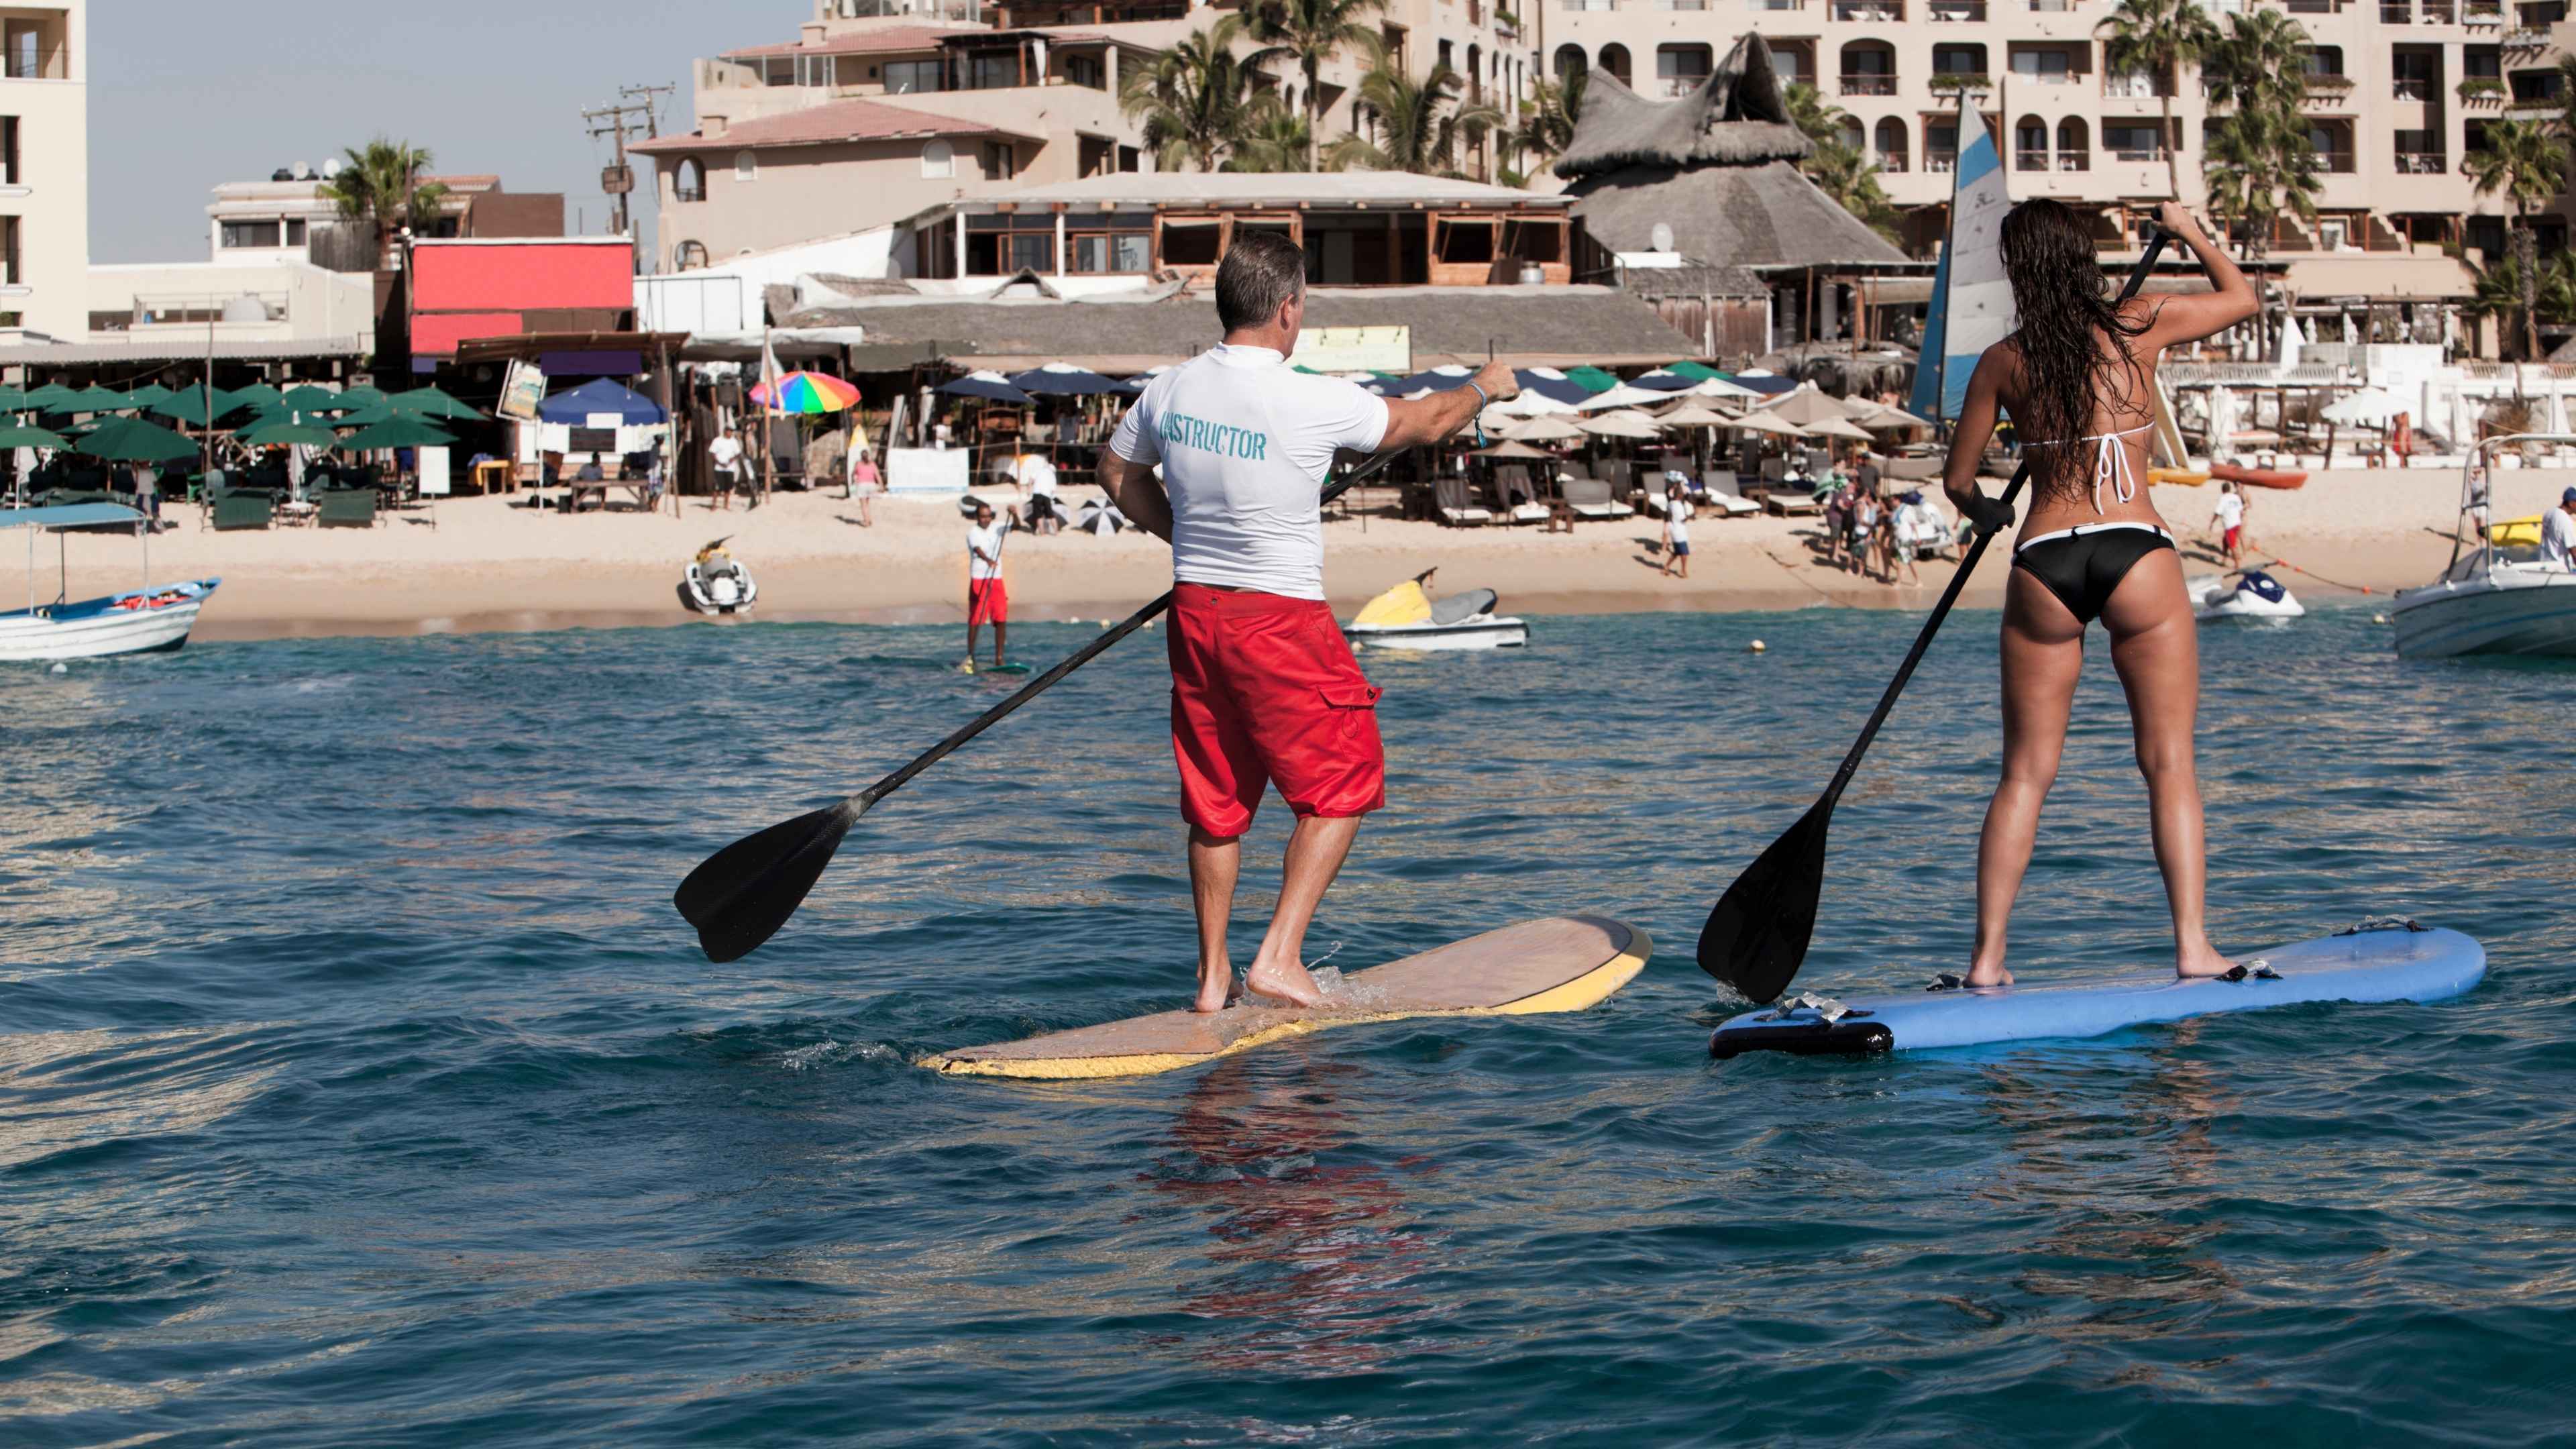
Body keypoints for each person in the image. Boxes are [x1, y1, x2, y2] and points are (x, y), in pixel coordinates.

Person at [1096, 229, 1519, 1013]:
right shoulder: (1312, 395)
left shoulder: (1170, 389)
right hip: (1278, 618)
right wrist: (1486, 388)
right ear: (1288, 309)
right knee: (1346, 782)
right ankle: (1279, 959)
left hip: (1197, 611)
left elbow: (1115, 471)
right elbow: (1427, 423)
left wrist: (1184, 535)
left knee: (1217, 802)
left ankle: (1213, 979)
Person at [1942, 197, 2257, 986]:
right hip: (2136, 553)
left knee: (2023, 774)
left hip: (2044, 559)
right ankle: (2192, 947)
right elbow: (2242, 297)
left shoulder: (2004, 361)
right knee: (2169, 763)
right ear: (2083, 260)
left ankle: (1987, 962)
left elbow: (1958, 482)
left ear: (2019, 273)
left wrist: (1988, 510)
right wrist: (2187, 234)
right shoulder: (2137, 323)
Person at [965, 499, 1011, 669]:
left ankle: (999, 658)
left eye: (988, 516)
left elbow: (1017, 527)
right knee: (976, 619)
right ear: (977, 517)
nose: (986, 519)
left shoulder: (998, 527)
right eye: (982, 517)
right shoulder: (973, 532)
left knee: (1001, 618)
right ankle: (970, 656)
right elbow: (977, 549)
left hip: (996, 578)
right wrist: (988, 560)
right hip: (979, 578)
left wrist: (1013, 514)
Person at [1662, 480, 1693, 579]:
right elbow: (1682, 519)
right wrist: (1689, 516)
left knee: (1677, 552)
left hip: (1674, 530)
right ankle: (1683, 571)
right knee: (1684, 553)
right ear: (1680, 495)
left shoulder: (1671, 503)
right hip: (1679, 532)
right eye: (1682, 494)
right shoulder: (1678, 506)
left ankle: (1666, 567)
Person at [2212, 479, 2246, 568]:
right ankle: (2224, 560)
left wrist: (2212, 523)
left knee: (2232, 545)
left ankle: (2237, 564)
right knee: (2225, 541)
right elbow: (2241, 511)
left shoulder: (2223, 498)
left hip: (2230, 525)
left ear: (2222, 490)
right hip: (2237, 523)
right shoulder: (2235, 497)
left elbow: (2218, 512)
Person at [2544, 486, 2576, 570]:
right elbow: (2574, 552)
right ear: (2571, 503)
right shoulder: (2565, 520)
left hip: (2545, 566)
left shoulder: (2549, 513)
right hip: (2559, 570)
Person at [709, 431, 743, 511]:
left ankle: (726, 505)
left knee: (728, 487)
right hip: (719, 467)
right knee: (717, 487)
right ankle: (714, 505)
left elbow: (738, 453)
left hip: (730, 467)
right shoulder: (717, 440)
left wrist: (732, 459)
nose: (730, 433)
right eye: (729, 431)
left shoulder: (734, 441)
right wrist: (719, 463)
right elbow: (712, 453)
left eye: (731, 432)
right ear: (725, 432)